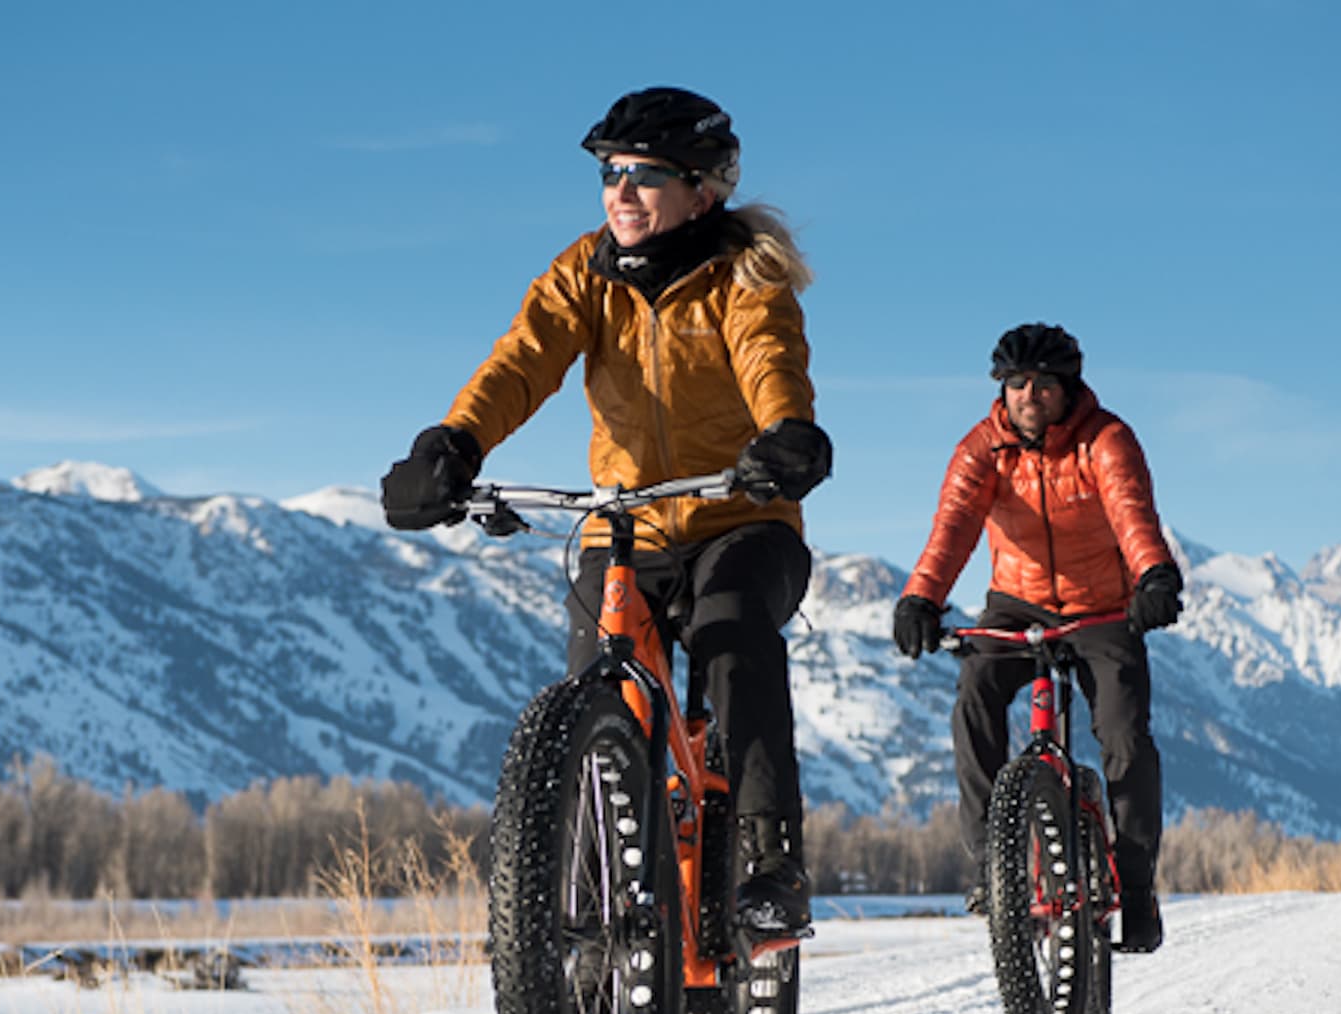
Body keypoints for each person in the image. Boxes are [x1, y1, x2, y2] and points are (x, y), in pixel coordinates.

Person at [381, 87, 831, 934]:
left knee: (734, 641)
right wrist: (454, 446)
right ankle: (587, 916)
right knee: (596, 694)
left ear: (704, 187)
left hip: (743, 519)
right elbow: (521, 362)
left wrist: (786, 435)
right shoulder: (582, 274)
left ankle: (772, 864)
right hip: (629, 527)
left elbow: (770, 356)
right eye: (610, 174)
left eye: (646, 176)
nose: (621, 193)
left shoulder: (745, 276)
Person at [891, 323, 1183, 952]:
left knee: (1126, 738)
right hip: (1014, 605)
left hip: (1103, 608)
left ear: (1067, 388)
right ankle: (991, 868)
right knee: (974, 699)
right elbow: (953, 528)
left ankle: (1135, 888)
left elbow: (1132, 512)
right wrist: (922, 598)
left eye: (1043, 385)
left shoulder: (1106, 440)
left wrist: (1154, 575)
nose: (1028, 395)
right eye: (1016, 384)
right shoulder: (982, 449)